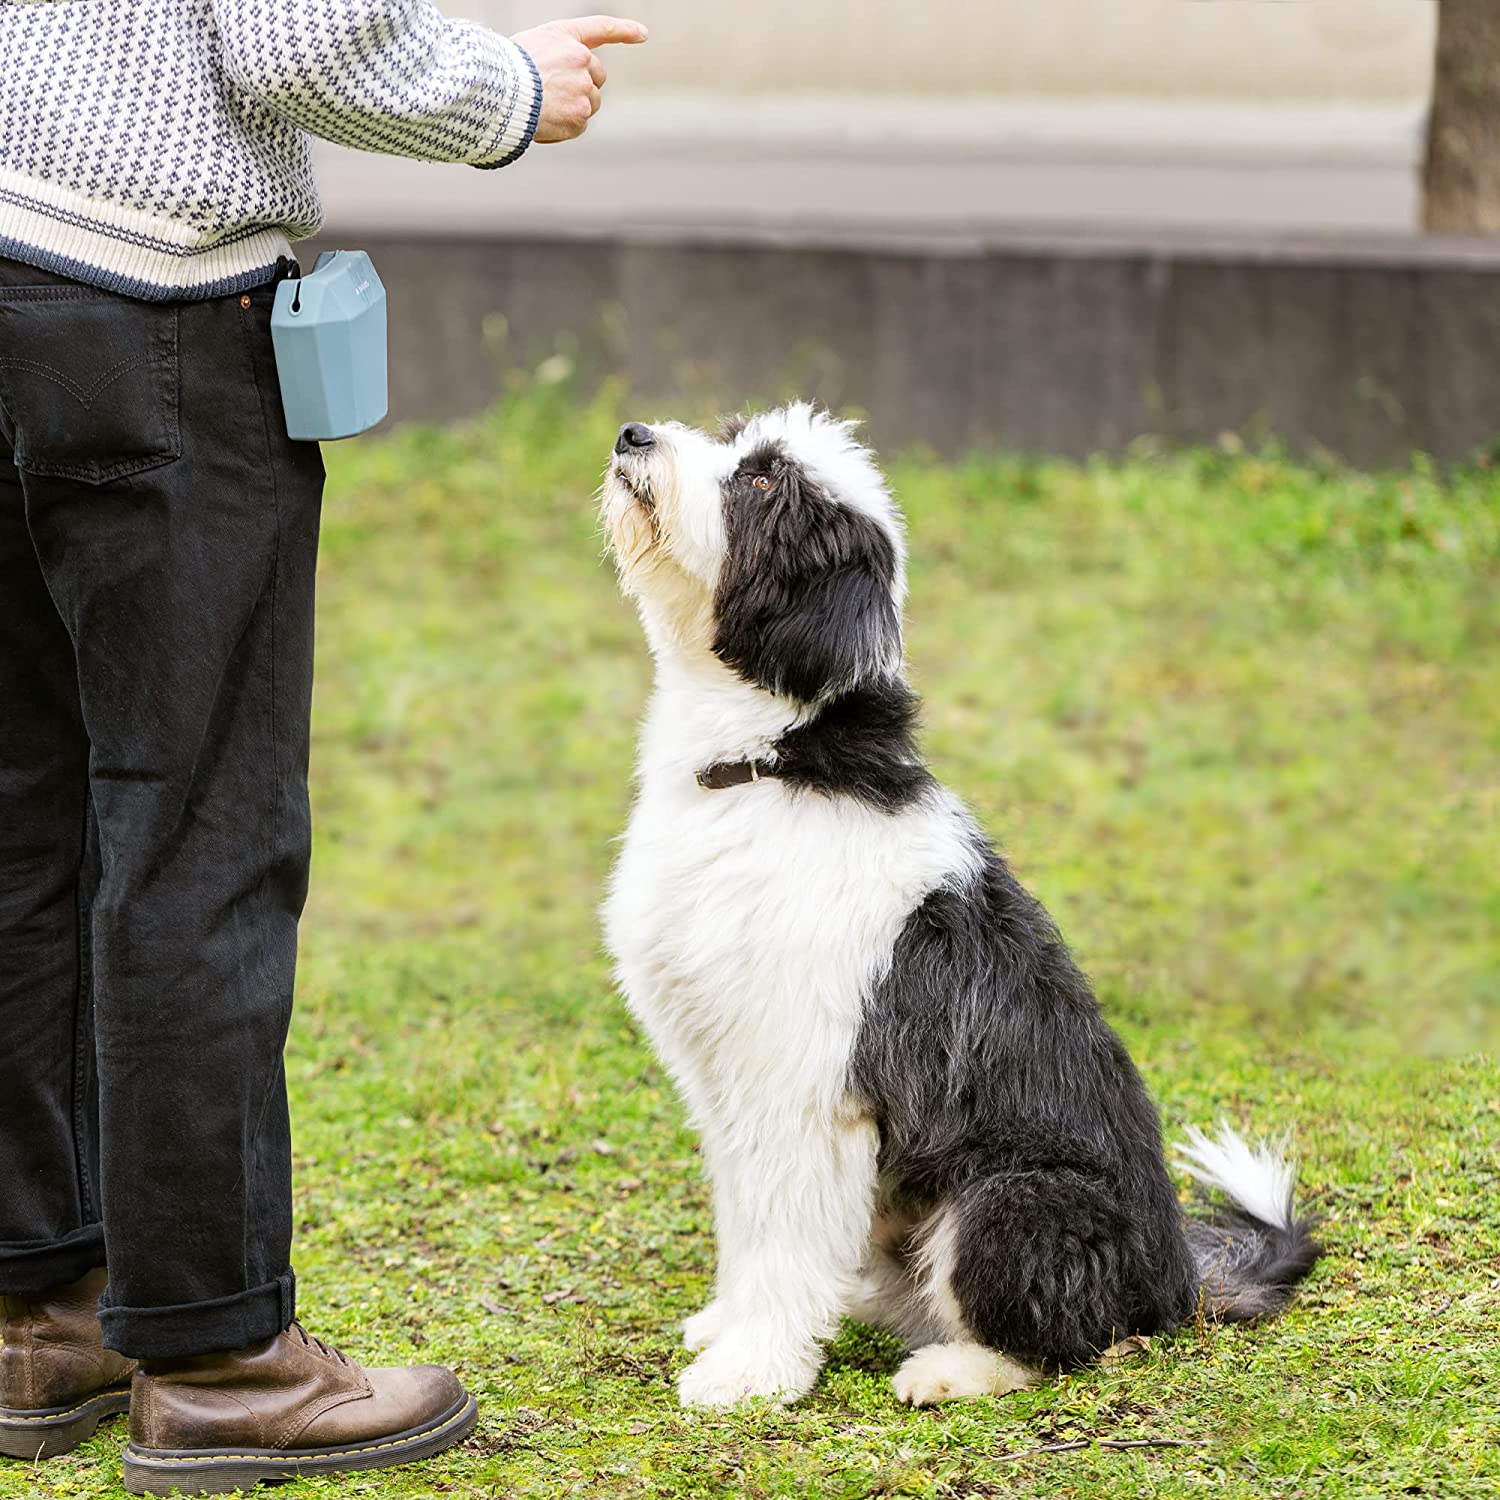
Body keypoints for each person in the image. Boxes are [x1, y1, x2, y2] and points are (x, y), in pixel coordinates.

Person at [0, 3, 646, 1492]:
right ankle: (220, 1362)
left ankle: (39, 1312)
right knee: (198, 832)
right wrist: (505, 88)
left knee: (27, 818)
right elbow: (301, 36)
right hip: (148, 304)